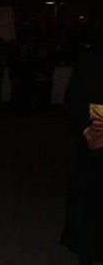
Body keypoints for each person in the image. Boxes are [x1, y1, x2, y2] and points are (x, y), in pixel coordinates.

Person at [61, 27, 103, 265]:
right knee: (90, 200)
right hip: (93, 143)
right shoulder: (91, 56)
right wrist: (87, 130)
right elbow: (73, 99)